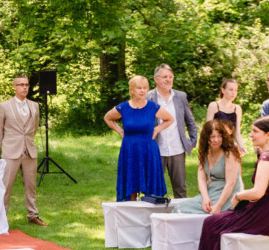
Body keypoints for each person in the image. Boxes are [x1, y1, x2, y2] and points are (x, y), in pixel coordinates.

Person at [185, 116, 269, 250]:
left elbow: (258, 192)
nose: (250, 135)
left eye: (255, 132)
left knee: (212, 223)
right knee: (217, 221)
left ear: (268, 135)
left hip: (267, 215)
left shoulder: (268, 158)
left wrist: (238, 195)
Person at [104, 75, 173, 201]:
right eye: (139, 88)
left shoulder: (152, 107)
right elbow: (108, 118)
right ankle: (131, 214)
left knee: (150, 186)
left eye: (145, 88)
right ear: (132, 90)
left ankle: (150, 214)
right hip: (130, 150)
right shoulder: (123, 107)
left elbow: (170, 119)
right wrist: (119, 131)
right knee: (131, 184)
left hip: (148, 150)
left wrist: (157, 129)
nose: (142, 91)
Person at [0, 75, 46, 226]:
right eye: (21, 85)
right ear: (14, 87)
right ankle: (0, 216)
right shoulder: (4, 106)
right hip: (11, 150)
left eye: (27, 85)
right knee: (6, 185)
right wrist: (6, 146)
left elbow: (34, 128)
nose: (25, 87)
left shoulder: (34, 106)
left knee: (31, 186)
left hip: (29, 150)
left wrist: (27, 141)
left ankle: (33, 215)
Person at [172, 119, 243, 214]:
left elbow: (231, 183)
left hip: (227, 194)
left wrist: (218, 206)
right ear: (206, 138)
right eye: (212, 136)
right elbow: (201, 178)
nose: (216, 140)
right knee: (179, 208)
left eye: (219, 136)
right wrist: (205, 198)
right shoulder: (205, 152)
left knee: (185, 210)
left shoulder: (229, 154)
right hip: (212, 190)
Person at [148, 64, 198, 198]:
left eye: (170, 77)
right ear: (156, 79)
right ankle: (154, 217)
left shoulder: (180, 96)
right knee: (153, 189)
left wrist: (192, 142)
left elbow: (190, 120)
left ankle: (181, 217)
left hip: (177, 150)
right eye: (164, 77)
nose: (168, 80)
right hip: (156, 150)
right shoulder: (148, 98)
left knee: (180, 188)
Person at [206, 77, 245, 154]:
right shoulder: (214, 105)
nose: (234, 93)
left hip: (229, 146)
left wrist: (242, 147)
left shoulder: (237, 108)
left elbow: (237, 132)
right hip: (215, 145)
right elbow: (208, 130)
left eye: (236, 90)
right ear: (223, 90)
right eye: (231, 90)